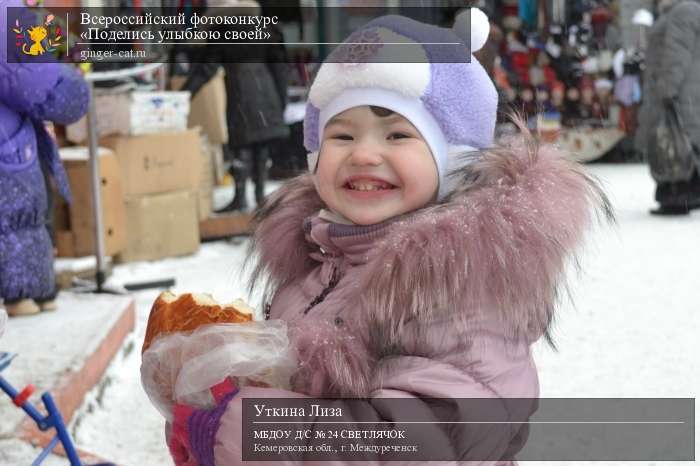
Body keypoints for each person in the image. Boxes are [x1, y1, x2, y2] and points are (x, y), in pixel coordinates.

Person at [163, 10, 611, 465]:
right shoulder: (320, 257)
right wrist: (217, 392)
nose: (363, 153)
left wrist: (243, 430)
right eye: (341, 134)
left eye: (397, 134)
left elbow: (421, 442)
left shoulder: (462, 283)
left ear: (453, 159)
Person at [0, 1, 89, 316]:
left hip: (19, 127)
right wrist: (72, 81)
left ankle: (36, 288)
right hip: (14, 132)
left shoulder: (27, 14)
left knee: (28, 212)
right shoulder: (12, 12)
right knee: (22, 213)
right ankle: (26, 292)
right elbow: (32, 76)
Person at [184, 0, 290, 213]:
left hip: (240, 89)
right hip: (266, 87)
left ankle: (240, 197)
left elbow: (206, 69)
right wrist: (281, 98)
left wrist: (185, 93)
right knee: (262, 144)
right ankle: (260, 197)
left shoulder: (222, 32)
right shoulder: (265, 27)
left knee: (240, 145)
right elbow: (279, 66)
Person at [636, 0, 700, 215]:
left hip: (681, 94)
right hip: (685, 92)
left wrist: (667, 89)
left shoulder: (684, 10)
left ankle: (679, 196)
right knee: (683, 143)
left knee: (677, 144)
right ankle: (682, 195)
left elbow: (677, 53)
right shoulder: (680, 11)